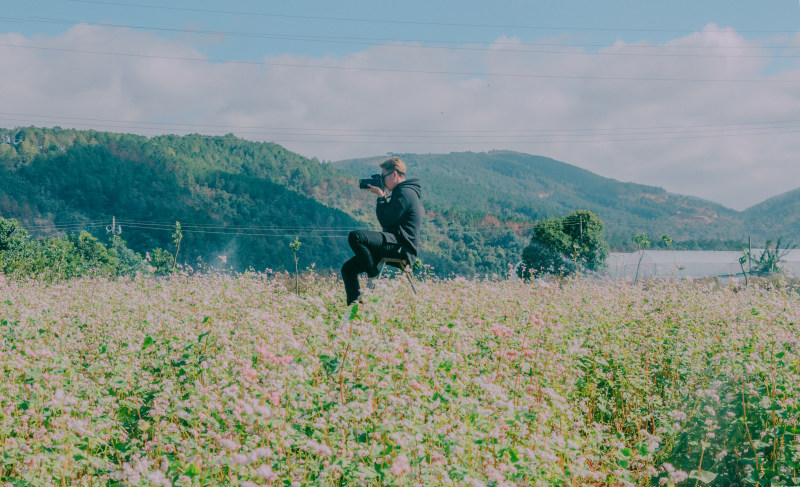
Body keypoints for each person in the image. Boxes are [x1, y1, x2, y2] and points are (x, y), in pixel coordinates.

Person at [341, 157, 422, 305]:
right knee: (348, 269)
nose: (382, 181)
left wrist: (381, 197)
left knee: (356, 237)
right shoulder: (403, 192)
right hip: (394, 241)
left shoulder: (405, 193)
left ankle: (373, 276)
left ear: (394, 174)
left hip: (401, 247)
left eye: (383, 176)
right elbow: (388, 221)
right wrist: (383, 198)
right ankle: (353, 310)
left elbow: (385, 221)